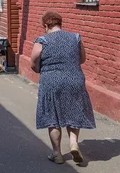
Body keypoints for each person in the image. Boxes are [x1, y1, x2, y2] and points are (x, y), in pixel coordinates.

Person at [30, 11, 95, 165]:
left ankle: (57, 153)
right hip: (74, 79)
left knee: (53, 118)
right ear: (60, 23)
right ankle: (73, 143)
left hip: (51, 81)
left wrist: (39, 69)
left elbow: (34, 61)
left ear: (46, 25)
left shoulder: (42, 40)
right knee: (73, 112)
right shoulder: (75, 38)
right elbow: (82, 59)